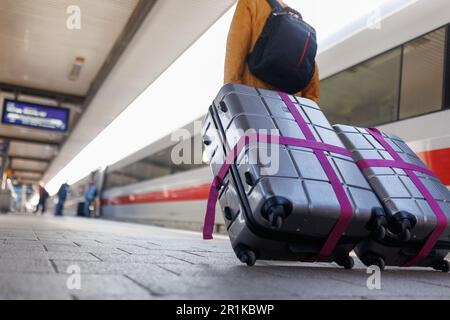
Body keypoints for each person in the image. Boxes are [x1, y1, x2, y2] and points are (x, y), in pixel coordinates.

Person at [225, 0, 320, 103]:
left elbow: (234, 56)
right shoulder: (298, 23)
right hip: (290, 110)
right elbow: (312, 86)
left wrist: (232, 100)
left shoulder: (250, 3)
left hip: (255, 102)